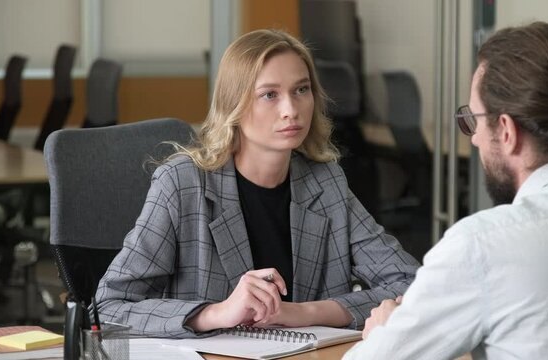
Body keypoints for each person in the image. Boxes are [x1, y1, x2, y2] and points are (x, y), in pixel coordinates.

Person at [95, 29, 419, 338]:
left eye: (301, 90)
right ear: (233, 105)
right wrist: (215, 313)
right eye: (269, 95)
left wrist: (306, 312)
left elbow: (411, 284)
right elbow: (109, 305)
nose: (291, 110)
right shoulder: (182, 185)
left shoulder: (326, 181)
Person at [344, 22, 548, 359]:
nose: (472, 137)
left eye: (473, 120)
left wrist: (382, 333)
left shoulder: (483, 245)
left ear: (506, 130)